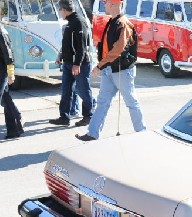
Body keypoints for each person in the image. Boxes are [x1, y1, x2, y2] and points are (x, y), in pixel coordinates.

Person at [76, 0, 145, 141]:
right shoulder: (113, 21)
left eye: (106, 3)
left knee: (131, 103)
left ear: (113, 4)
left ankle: (142, 133)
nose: (104, 5)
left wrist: (100, 65)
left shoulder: (123, 24)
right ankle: (92, 134)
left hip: (122, 71)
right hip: (110, 69)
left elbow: (118, 49)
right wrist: (103, 65)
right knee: (102, 102)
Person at [49, 0, 94, 127]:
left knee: (84, 90)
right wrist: (61, 56)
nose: (59, 12)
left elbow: (82, 46)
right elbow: (68, 44)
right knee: (66, 91)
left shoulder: (79, 22)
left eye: (59, 10)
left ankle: (88, 116)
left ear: (63, 9)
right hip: (68, 63)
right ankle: (64, 117)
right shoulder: (69, 22)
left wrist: (77, 64)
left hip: (80, 65)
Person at [0, 20, 23, 139]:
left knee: (4, 99)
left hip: (2, 72)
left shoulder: (1, 32)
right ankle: (15, 125)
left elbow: (8, 54)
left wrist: (11, 73)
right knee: (5, 100)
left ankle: (15, 124)